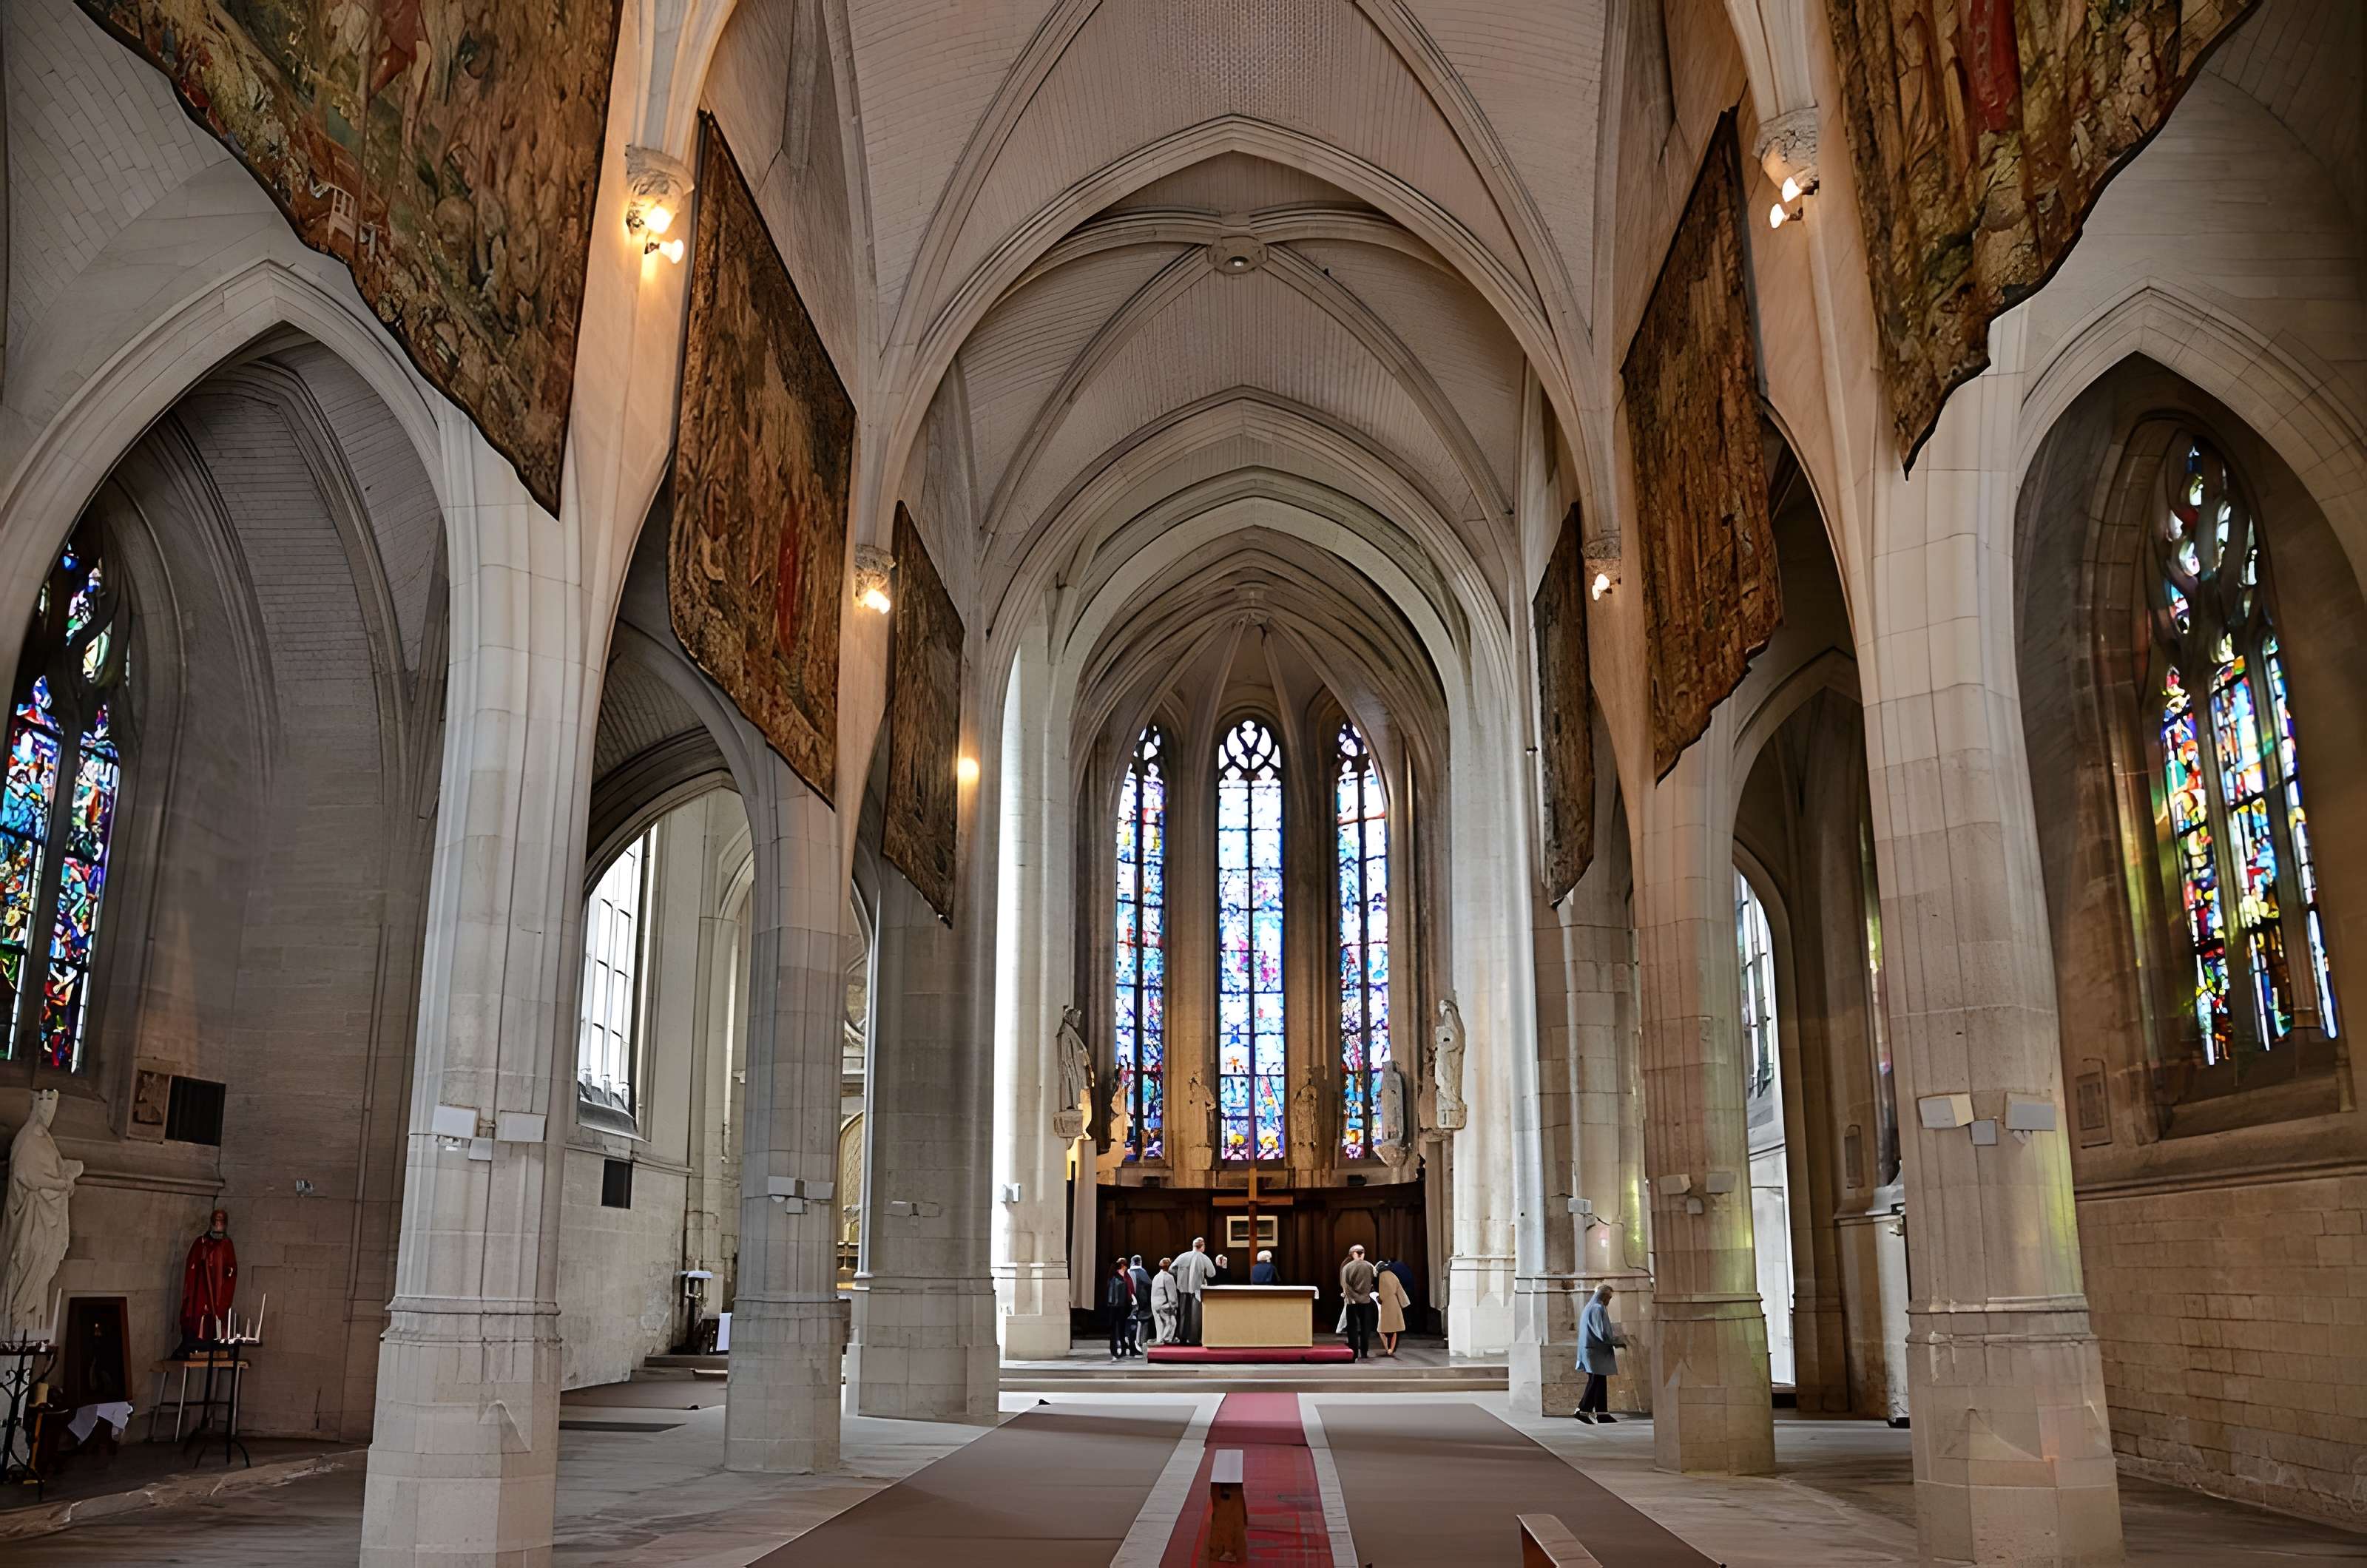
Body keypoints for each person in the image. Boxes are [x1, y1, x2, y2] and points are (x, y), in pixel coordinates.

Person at [1576, 1282, 1626, 1422]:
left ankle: (1602, 1413)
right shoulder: (1598, 1308)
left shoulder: (1590, 1307)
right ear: (1604, 1296)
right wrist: (1618, 1341)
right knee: (1596, 1381)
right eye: (1609, 1298)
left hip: (1590, 1350)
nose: (1609, 1301)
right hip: (1596, 1351)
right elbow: (1603, 1333)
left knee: (1598, 1380)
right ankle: (1583, 1410)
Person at [1170, 1236, 1215, 1344]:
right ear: (1202, 1246)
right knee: (1196, 1315)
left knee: (1184, 1314)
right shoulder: (1204, 1258)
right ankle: (1194, 1338)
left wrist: (1181, 1276)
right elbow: (1212, 1273)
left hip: (1183, 1289)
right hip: (1197, 1290)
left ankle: (1182, 1337)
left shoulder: (1182, 1256)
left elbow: (1172, 1269)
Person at [1339, 1244, 1379, 1359]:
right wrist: (1366, 1294)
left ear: (1352, 1254)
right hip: (1366, 1301)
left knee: (1352, 1328)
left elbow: (1346, 1286)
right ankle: (1364, 1351)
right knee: (1366, 1327)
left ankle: (1354, 1351)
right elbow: (1374, 1283)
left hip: (1353, 1303)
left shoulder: (1347, 1267)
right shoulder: (1370, 1266)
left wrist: (1353, 1298)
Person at [1375, 1256, 1409, 1356]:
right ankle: (1392, 1349)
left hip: (1385, 1304)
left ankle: (1387, 1348)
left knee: (1381, 1329)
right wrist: (1404, 1303)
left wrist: (1379, 1299)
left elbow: (1380, 1295)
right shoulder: (1393, 1276)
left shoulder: (1380, 1277)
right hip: (1394, 1303)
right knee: (1395, 1329)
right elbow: (1400, 1290)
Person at [1106, 1257, 1136, 1359]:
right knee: (1114, 1329)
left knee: (1122, 1329)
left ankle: (1123, 1349)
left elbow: (1130, 1290)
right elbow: (1113, 1294)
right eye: (1125, 1265)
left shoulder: (1125, 1277)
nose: (1126, 1267)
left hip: (1122, 1307)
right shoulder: (1115, 1278)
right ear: (1122, 1266)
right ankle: (1114, 1351)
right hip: (1115, 1307)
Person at [1151, 1257, 1180, 1345]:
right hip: (1164, 1305)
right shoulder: (1168, 1277)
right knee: (1172, 1323)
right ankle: (1166, 1341)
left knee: (1160, 1326)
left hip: (1155, 1305)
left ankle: (1160, 1341)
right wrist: (1174, 1305)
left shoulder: (1156, 1277)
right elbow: (1172, 1295)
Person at [1130, 1254, 1155, 1352]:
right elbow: (1150, 1285)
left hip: (1130, 1303)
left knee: (1132, 1323)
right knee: (1143, 1322)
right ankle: (1141, 1344)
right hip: (1142, 1304)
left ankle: (1132, 1344)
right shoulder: (1142, 1272)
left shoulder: (1128, 1272)